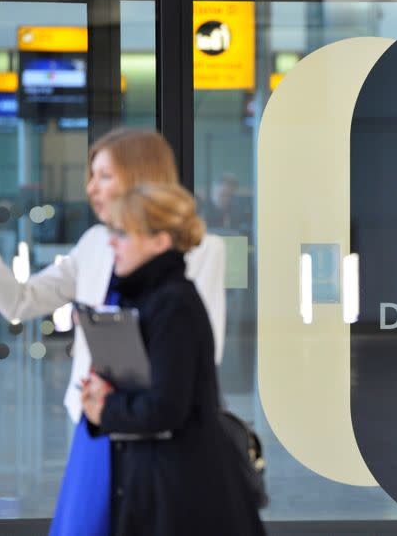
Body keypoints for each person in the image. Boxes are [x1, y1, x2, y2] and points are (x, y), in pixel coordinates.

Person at [0, 129, 226, 536]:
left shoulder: (200, 249)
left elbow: (202, 352)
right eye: (91, 176)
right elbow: (22, 301)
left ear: (140, 176)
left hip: (157, 435)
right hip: (95, 426)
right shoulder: (94, 244)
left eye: (104, 176)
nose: (91, 188)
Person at [81, 183, 264, 535]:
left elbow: (167, 407)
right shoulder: (149, 296)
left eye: (122, 233)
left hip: (180, 487)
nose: (111, 243)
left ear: (159, 241)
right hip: (160, 477)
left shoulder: (172, 304)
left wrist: (105, 410)